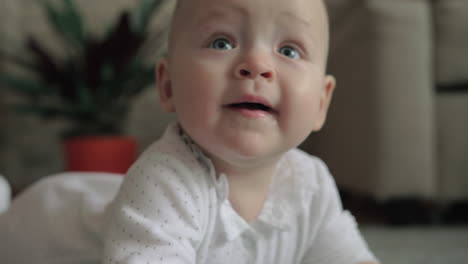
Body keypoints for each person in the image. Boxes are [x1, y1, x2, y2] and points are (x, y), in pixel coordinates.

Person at [102, 0, 379, 263]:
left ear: (321, 102)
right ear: (168, 86)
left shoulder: (311, 184)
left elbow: (350, 257)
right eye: (221, 43)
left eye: (289, 51)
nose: (257, 65)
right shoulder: (162, 184)